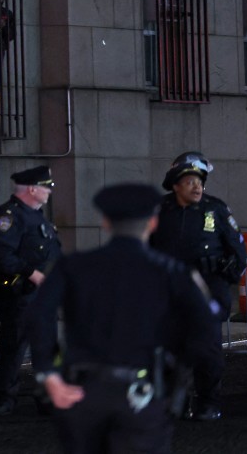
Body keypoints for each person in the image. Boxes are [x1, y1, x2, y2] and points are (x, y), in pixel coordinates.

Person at [26, 183, 221, 453]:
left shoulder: (72, 266)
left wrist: (49, 374)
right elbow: (207, 330)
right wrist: (177, 371)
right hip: (142, 393)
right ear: (153, 223)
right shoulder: (172, 272)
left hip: (81, 392)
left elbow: (39, 315)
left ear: (106, 223)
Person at [148, 152, 247, 421]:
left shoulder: (216, 209)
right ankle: (172, 403)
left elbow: (238, 250)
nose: (197, 186)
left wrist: (228, 273)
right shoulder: (159, 211)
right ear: (176, 185)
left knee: (207, 349)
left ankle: (207, 403)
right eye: (190, 181)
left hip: (207, 289)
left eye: (200, 181)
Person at [0, 165, 62, 416]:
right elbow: (1, 255)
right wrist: (32, 273)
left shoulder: (38, 218)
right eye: (45, 187)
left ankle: (46, 400)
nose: (49, 192)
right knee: (13, 348)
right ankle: (5, 400)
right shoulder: (8, 217)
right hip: (20, 295)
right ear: (32, 189)